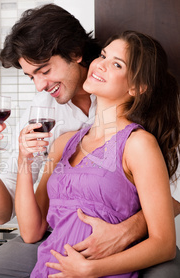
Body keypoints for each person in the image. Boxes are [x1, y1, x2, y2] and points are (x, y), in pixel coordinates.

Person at [0, 3, 180, 278]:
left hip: (128, 239)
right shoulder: (52, 121)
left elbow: (171, 204)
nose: (39, 86)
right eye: (31, 77)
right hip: (58, 238)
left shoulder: (139, 132)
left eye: (44, 70)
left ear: (75, 54)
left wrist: (124, 234)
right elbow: (14, 218)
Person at [16, 30, 179, 277]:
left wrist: (90, 269)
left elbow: (164, 246)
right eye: (102, 55)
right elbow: (32, 231)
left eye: (116, 64)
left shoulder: (138, 145)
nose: (99, 65)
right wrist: (23, 160)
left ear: (136, 86)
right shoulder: (64, 143)